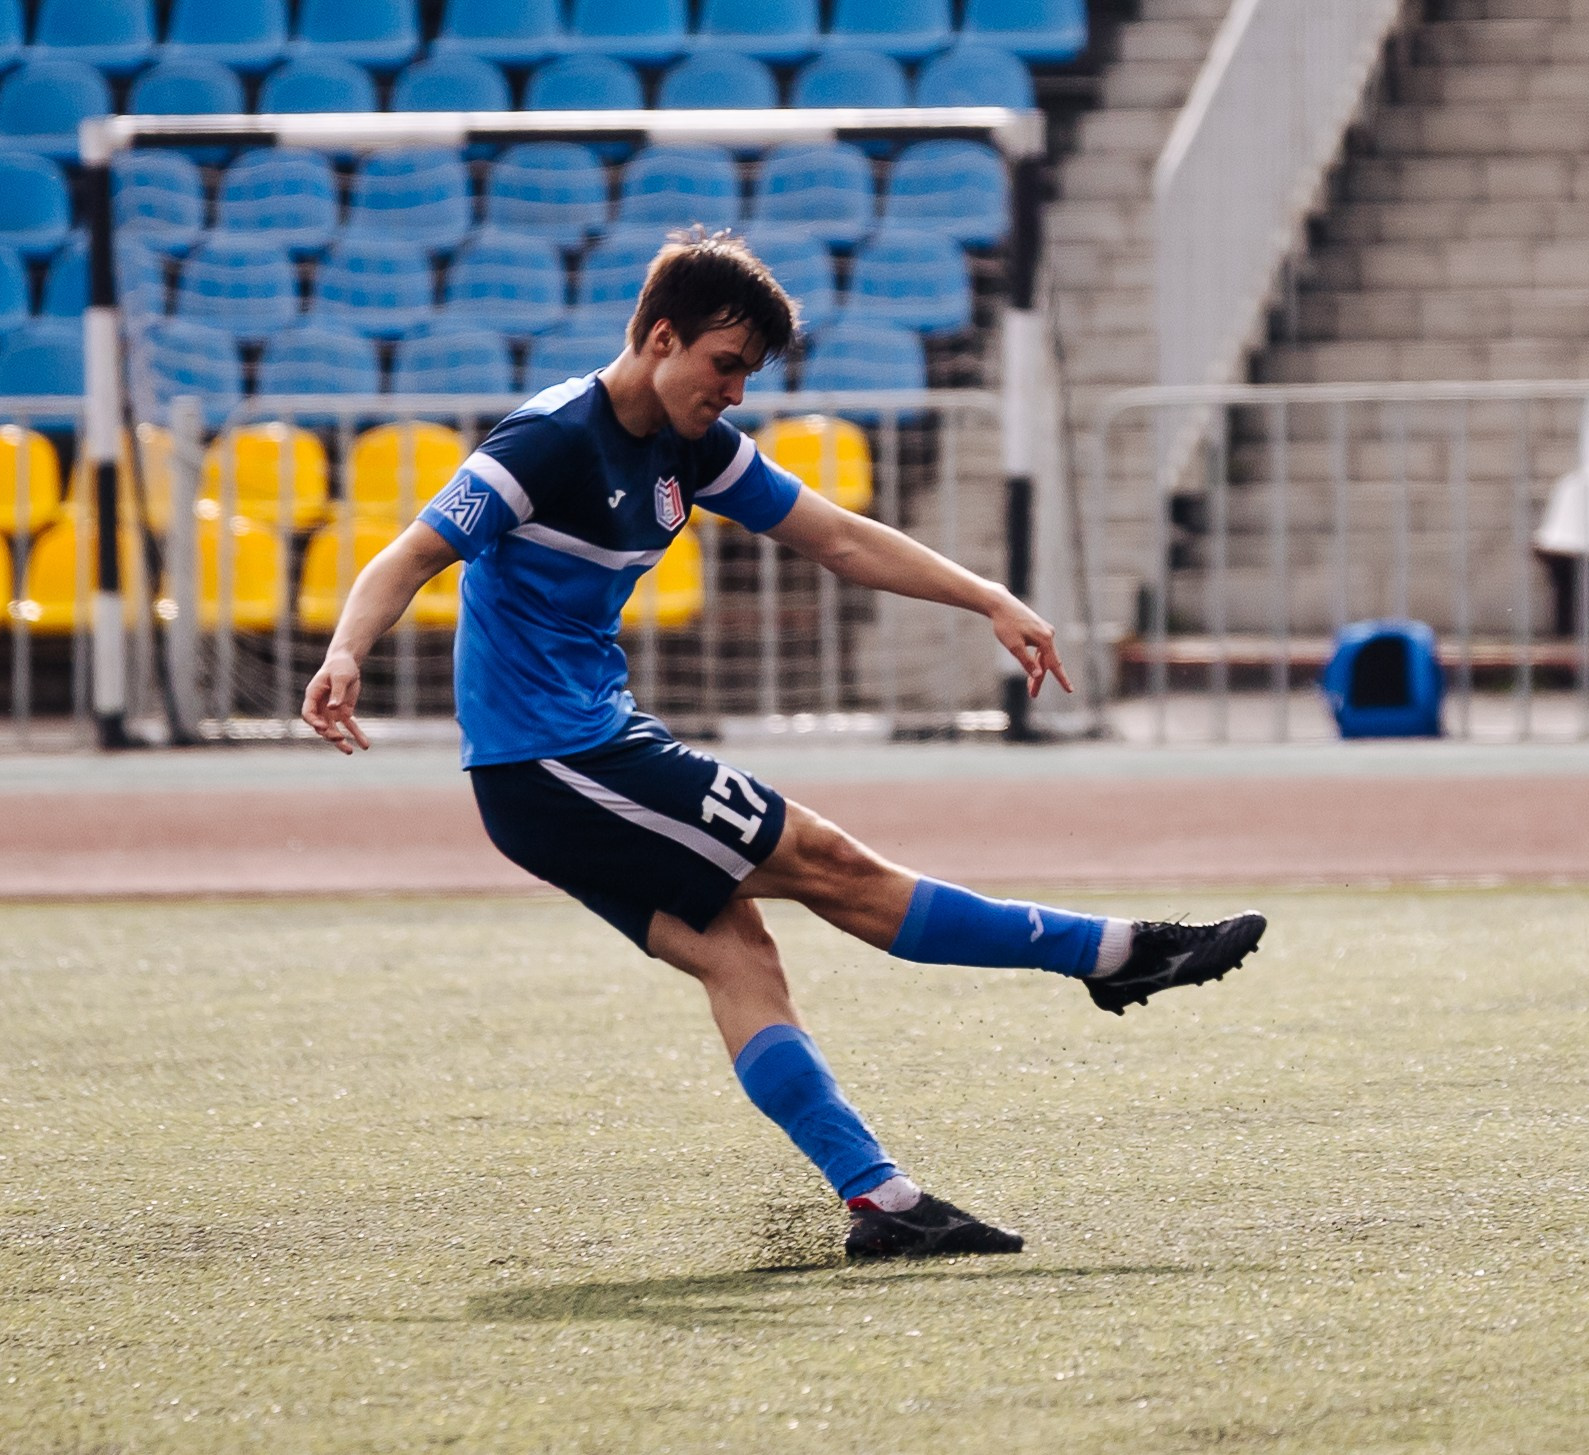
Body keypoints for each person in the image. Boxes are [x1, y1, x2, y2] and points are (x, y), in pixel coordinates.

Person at [300, 230, 1266, 1260]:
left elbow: (838, 538)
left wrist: (987, 597)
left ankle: (881, 1203)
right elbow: (408, 555)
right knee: (830, 864)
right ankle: (1110, 955)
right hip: (561, 761)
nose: (733, 393)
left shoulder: (692, 447)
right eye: (724, 366)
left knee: (739, 955)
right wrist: (346, 652)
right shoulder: (546, 442)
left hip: (568, 765)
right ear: (661, 337)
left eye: (748, 376)